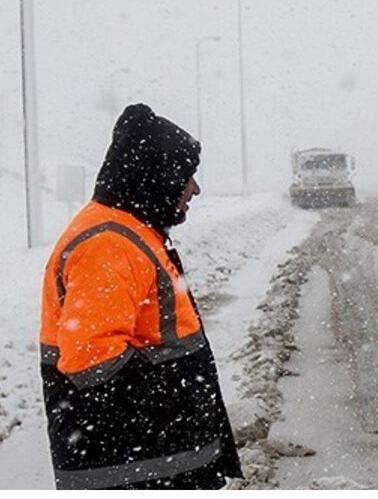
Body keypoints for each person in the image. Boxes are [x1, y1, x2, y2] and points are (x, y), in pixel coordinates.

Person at [38, 104, 242, 489]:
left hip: (151, 464)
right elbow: (91, 359)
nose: (194, 188)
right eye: (186, 176)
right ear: (158, 176)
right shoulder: (109, 243)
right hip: (137, 470)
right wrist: (176, 405)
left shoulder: (130, 229)